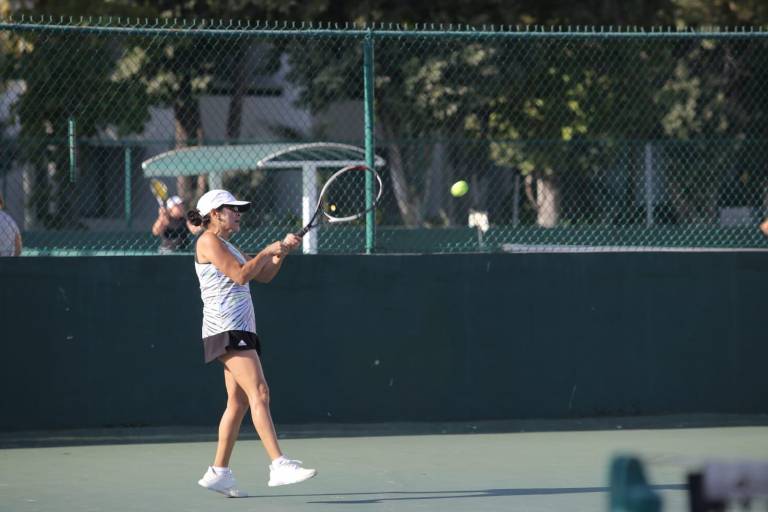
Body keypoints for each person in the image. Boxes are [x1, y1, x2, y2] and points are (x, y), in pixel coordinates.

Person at [187, 189, 316, 498]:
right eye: (232, 209)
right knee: (260, 392)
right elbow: (241, 275)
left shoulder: (228, 245)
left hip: (239, 329)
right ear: (215, 214)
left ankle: (219, 472)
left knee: (238, 402)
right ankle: (278, 464)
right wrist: (267, 250)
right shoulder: (208, 241)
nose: (238, 214)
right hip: (227, 329)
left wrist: (281, 253)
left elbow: (264, 275)